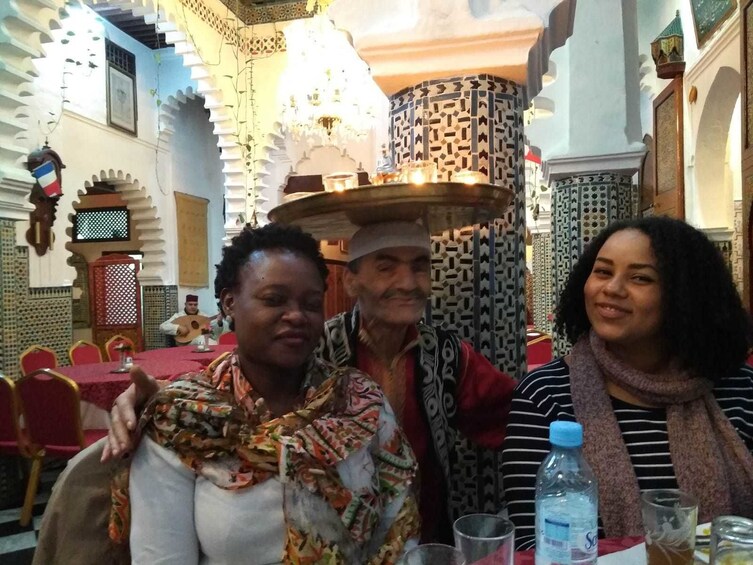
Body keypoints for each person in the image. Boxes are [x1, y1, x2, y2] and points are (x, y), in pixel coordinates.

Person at [106, 220, 516, 544]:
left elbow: (514, 416)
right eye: (387, 267)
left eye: (420, 267)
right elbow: (240, 382)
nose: (407, 283)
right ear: (351, 282)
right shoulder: (316, 345)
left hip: (418, 537)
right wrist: (161, 403)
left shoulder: (447, 356)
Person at [501, 216, 753, 550]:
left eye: (640, 278)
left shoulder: (738, 391)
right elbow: (533, 542)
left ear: (684, 295)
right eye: (603, 271)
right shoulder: (545, 395)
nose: (612, 289)